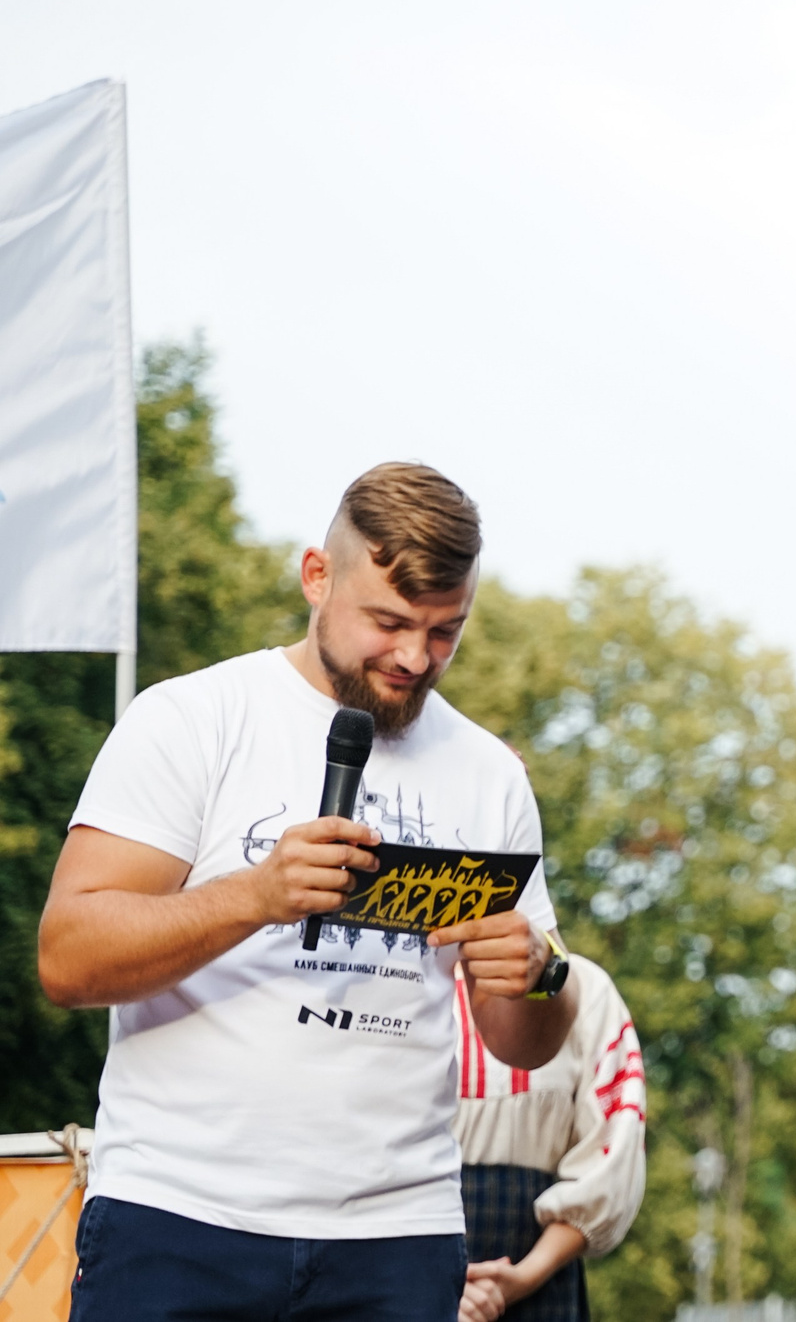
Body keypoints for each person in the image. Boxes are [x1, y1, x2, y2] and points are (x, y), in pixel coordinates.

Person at [38, 462, 578, 1322]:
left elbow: (524, 1042)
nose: (413, 656)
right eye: (390, 621)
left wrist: (544, 972)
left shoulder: (489, 775)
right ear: (316, 577)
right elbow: (67, 958)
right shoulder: (192, 716)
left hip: (398, 1240)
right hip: (178, 1218)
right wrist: (252, 894)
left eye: (446, 631)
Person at [454, 953, 647, 1322]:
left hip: (537, 1278)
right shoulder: (388, 980)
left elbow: (608, 1161)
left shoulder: (582, 987)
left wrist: (521, 1279)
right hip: (393, 1262)